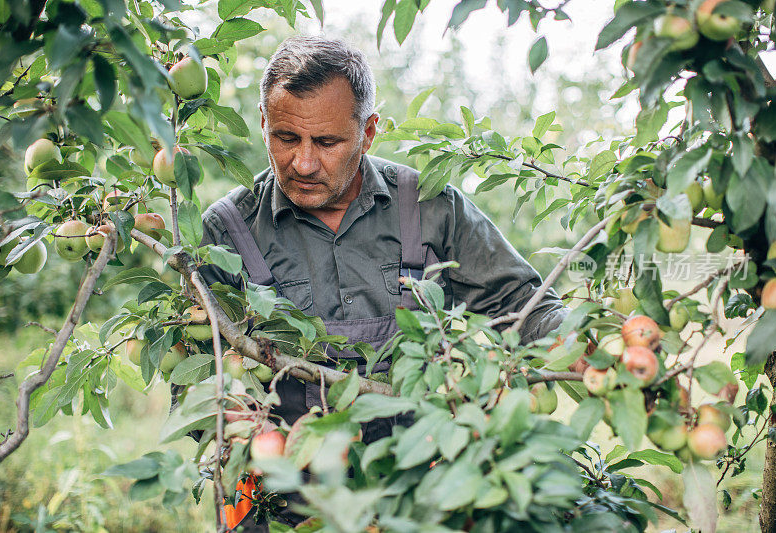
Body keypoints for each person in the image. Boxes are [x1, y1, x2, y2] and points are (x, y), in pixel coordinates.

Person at [198, 35, 568, 531]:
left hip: (416, 488)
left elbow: (521, 304)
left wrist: (576, 334)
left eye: (327, 142)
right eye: (286, 138)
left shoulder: (432, 206)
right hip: (280, 499)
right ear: (264, 123)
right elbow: (201, 370)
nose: (303, 163)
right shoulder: (228, 230)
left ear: (368, 132)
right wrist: (239, 424)